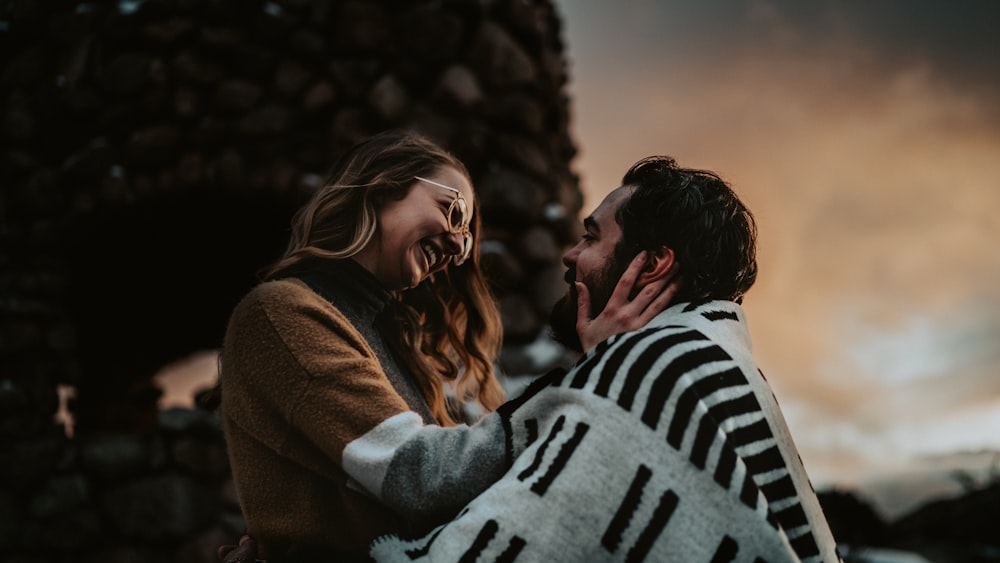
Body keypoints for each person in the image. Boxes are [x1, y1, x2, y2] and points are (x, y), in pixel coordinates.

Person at [218, 130, 675, 562]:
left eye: (467, 234)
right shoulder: (282, 314)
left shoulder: (383, 333)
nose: (458, 245)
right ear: (383, 186)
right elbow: (422, 477)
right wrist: (593, 378)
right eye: (454, 211)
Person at [368, 156, 841, 562]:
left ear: (652, 265)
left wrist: (608, 370)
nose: (570, 255)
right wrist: (601, 367)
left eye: (592, 238)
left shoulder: (652, 372)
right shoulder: (717, 368)